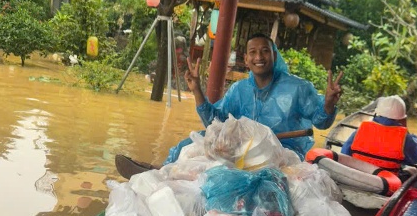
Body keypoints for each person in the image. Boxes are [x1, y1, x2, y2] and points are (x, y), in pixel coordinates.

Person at [115, 33, 343, 177]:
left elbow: (320, 122)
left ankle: (168, 176)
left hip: (284, 152)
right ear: (246, 60)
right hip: (242, 149)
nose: (259, 57)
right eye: (253, 52)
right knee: (196, 141)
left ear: (274, 55)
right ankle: (162, 170)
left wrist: (328, 104)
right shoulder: (239, 90)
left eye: (265, 51)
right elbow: (215, 123)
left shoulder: (298, 87)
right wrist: (197, 90)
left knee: (234, 170)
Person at [340, 95, 417, 171]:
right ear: (402, 119)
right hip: (385, 180)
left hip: (358, 176)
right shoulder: (405, 138)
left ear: (377, 113)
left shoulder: (361, 129)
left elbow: (344, 152)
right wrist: (406, 130)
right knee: (412, 170)